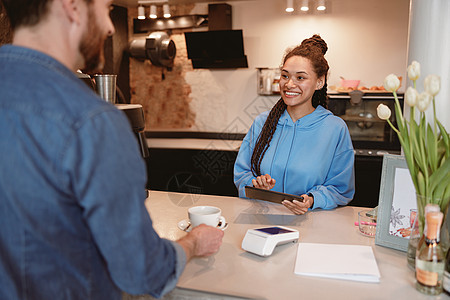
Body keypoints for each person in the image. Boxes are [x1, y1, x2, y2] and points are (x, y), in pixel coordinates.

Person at [0, 0, 223, 299]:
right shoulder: (92, 120)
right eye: (106, 8)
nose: (108, 27)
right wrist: (194, 242)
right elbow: (142, 272)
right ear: (72, 6)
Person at [234, 35, 355, 215]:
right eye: (285, 76)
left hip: (311, 223)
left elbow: (340, 188)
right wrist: (256, 184)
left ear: (319, 82)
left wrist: (311, 200)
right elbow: (242, 174)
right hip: (261, 219)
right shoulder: (262, 123)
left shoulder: (335, 128)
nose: (289, 84)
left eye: (300, 77)